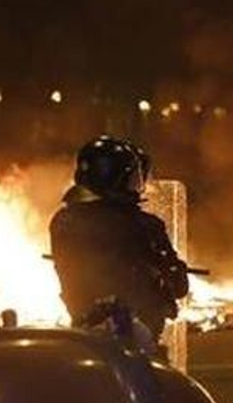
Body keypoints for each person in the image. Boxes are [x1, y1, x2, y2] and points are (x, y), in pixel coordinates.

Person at [50, 136, 190, 344]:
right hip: (136, 341)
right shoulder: (143, 226)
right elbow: (179, 286)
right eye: (131, 177)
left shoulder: (63, 221)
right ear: (115, 178)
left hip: (84, 337)